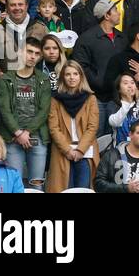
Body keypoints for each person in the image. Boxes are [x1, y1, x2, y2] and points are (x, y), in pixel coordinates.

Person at [0, 39, 51, 190]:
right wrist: (18, 132)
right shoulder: (6, 79)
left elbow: (44, 110)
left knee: (37, 185)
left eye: (37, 53)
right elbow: (4, 109)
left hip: (37, 137)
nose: (33, 56)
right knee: (14, 185)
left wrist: (26, 132)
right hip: (12, 138)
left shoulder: (43, 79)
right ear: (20, 52)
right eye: (29, 51)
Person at [46, 60, 98, 192]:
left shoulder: (90, 98)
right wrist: (67, 150)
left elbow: (92, 127)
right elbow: (54, 128)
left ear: (81, 76)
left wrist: (80, 150)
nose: (72, 77)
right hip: (63, 150)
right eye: (68, 74)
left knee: (83, 189)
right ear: (63, 77)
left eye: (75, 74)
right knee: (63, 188)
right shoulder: (55, 99)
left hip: (85, 151)